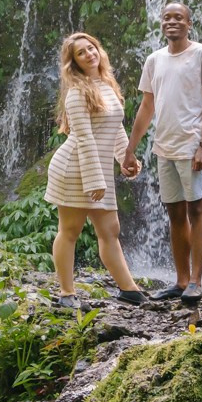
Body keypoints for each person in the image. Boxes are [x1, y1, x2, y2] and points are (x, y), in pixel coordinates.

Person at [43, 32, 148, 307]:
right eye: (81, 52)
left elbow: (114, 129)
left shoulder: (106, 84)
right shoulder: (77, 92)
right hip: (75, 168)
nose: (89, 54)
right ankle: (67, 294)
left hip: (96, 168)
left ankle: (129, 289)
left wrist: (126, 158)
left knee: (110, 229)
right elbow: (86, 138)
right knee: (70, 230)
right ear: (73, 62)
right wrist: (94, 181)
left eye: (92, 48)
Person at [126, 2, 202, 303]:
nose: (172, 22)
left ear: (189, 23)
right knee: (175, 214)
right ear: (161, 23)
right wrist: (130, 149)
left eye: (178, 18)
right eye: (167, 17)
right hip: (163, 146)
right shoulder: (154, 60)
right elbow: (146, 106)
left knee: (197, 209)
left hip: (191, 144)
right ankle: (180, 281)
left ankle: (196, 281)